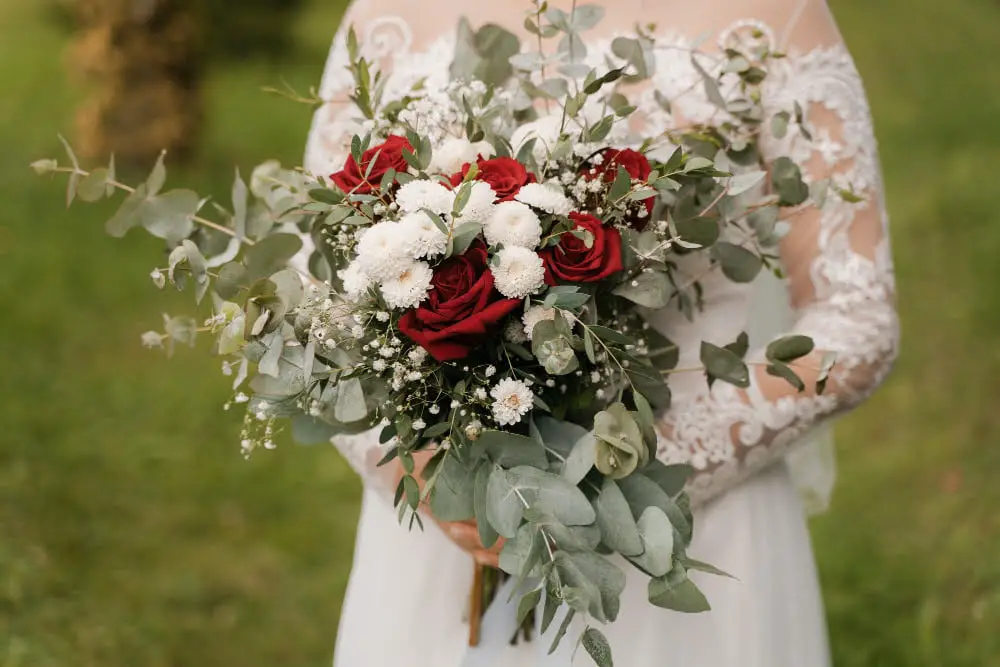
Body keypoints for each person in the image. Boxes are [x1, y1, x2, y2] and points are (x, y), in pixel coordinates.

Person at [302, 1, 900, 665]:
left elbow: (857, 317)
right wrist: (421, 469)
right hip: (444, 530)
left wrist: (606, 473)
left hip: (677, 519)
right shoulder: (386, 14)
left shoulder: (772, 16)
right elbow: (313, 298)